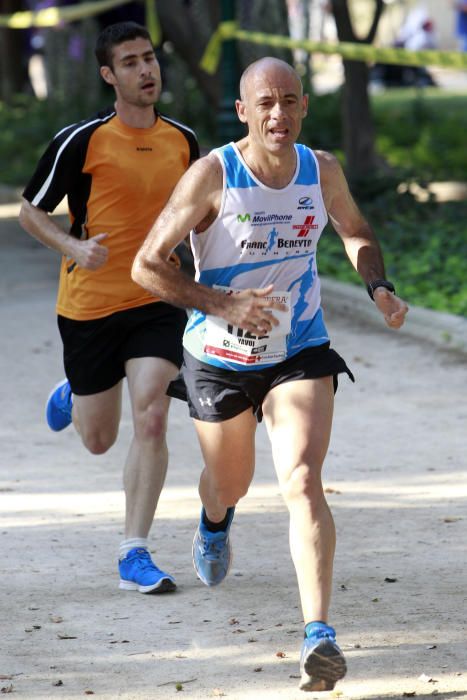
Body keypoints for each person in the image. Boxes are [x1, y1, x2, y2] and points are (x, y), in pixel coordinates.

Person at [132, 57, 408, 691]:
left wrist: (380, 287)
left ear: (305, 106)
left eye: (289, 101)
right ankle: (214, 518)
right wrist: (224, 304)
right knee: (232, 483)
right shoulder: (213, 176)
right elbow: (147, 265)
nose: (278, 114)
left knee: (304, 480)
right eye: (265, 104)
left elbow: (356, 231)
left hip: (297, 347)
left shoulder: (321, 170)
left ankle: (319, 634)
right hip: (220, 356)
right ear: (243, 112)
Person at [19, 21, 199, 594]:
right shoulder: (83, 140)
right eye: (130, 63)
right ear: (108, 75)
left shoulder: (184, 141)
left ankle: (134, 551)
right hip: (90, 306)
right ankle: (75, 389)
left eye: (150, 58)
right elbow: (30, 210)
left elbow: (201, 218)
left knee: (151, 413)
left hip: (156, 300)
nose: (146, 70)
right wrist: (74, 246)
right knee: (98, 439)